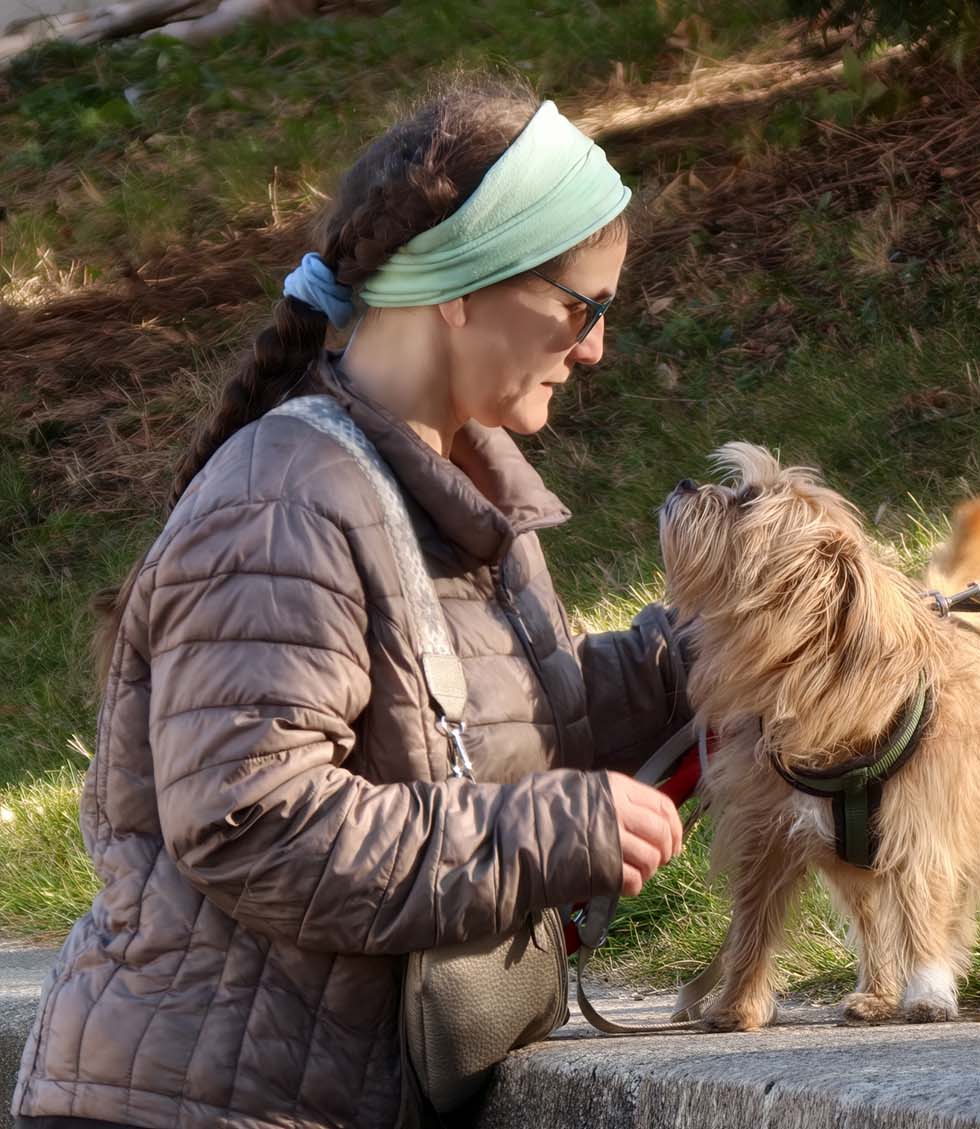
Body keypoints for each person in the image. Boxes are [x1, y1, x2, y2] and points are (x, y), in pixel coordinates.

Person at [11, 77, 690, 1129]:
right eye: (579, 304)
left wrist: (709, 651)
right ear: (464, 284)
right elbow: (251, 821)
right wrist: (544, 831)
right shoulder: (281, 501)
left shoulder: (447, 486)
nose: (595, 343)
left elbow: (486, 731)